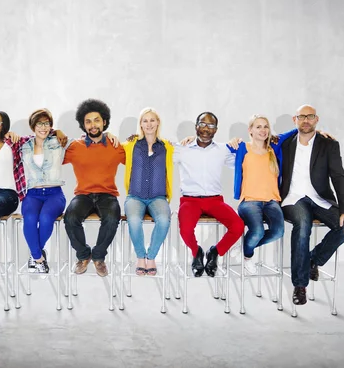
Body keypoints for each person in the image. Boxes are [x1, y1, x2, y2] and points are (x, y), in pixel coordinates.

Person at [0, 109, 65, 277]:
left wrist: (57, 131)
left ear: (4, 126)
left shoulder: (13, 142)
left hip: (7, 194)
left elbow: (40, 135)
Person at [280, 104, 344, 305]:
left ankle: (312, 260)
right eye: (301, 116)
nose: (306, 120)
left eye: (310, 116)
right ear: (294, 120)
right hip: (292, 198)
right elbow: (257, 140)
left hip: (320, 198)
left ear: (317, 119)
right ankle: (300, 285)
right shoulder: (284, 143)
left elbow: (339, 177)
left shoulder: (329, 144)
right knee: (302, 225)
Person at [175, 112, 244, 277]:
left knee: (238, 226)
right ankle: (196, 252)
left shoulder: (223, 150)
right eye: (203, 124)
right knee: (185, 229)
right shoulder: (181, 148)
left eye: (211, 125)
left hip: (214, 200)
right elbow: (157, 149)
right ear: (196, 126)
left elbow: (245, 159)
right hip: (190, 200)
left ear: (216, 130)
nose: (206, 128)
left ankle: (214, 253)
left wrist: (239, 144)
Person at [63, 99, 126, 277]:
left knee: (112, 218)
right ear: (83, 125)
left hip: (107, 194)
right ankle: (83, 256)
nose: (93, 125)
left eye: (97, 120)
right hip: (83, 194)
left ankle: (98, 257)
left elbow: (135, 154)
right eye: (88, 121)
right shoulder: (75, 146)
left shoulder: (115, 146)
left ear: (104, 121)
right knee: (70, 218)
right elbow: (51, 155)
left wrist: (128, 138)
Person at [228, 115, 297, 274]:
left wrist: (319, 132)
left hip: (272, 202)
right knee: (257, 231)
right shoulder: (242, 147)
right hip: (249, 202)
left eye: (265, 126)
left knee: (278, 231)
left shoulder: (275, 146)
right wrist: (191, 139)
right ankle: (248, 255)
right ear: (250, 130)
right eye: (258, 127)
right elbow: (213, 147)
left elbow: (297, 130)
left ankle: (245, 245)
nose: (263, 130)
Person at [122, 108, 173, 276]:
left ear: (158, 122)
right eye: (145, 121)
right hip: (135, 196)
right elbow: (110, 146)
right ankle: (140, 257)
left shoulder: (167, 147)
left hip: (158, 197)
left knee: (164, 220)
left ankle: (151, 257)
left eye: (152, 120)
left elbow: (187, 147)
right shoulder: (131, 145)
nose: (149, 124)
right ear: (140, 124)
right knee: (134, 221)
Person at [20, 109, 67, 274]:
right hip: (33, 194)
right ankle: (39, 258)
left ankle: (35, 256)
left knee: (46, 218)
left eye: (47, 123)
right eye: (39, 123)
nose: (43, 127)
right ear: (33, 126)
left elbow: (83, 141)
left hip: (54, 193)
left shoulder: (58, 142)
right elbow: (4, 140)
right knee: (30, 219)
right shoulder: (24, 145)